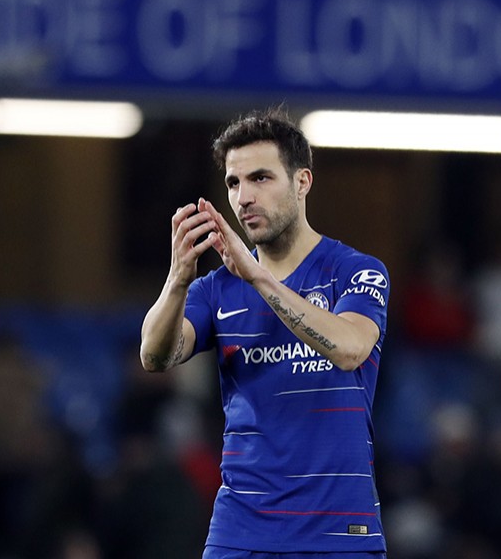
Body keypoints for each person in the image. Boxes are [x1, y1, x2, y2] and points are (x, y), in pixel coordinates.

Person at [140, 108, 390, 558]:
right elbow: (156, 356)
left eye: (260, 178)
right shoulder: (214, 289)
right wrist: (178, 277)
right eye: (234, 183)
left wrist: (259, 278)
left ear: (302, 182)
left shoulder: (355, 271)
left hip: (337, 532)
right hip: (242, 532)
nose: (243, 197)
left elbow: (352, 348)